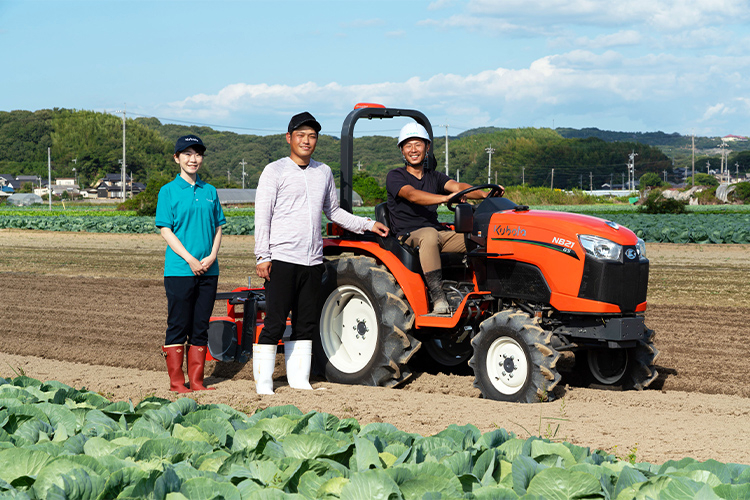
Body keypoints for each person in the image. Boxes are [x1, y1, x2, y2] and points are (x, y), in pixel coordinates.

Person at [253, 111, 389, 395]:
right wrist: (262, 256)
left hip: (312, 260)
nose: (306, 141)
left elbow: (334, 211)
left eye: (312, 136)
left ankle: (299, 380)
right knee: (276, 321)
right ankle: (264, 383)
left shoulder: (323, 171)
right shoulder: (274, 171)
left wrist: (367, 224)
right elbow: (262, 215)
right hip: (282, 258)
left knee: (306, 323)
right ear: (289, 138)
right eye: (301, 135)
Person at [386, 122, 504, 314]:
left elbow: (458, 187)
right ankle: (438, 296)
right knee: (429, 236)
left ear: (427, 147)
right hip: (408, 235)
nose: (413, 150)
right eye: (408, 145)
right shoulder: (395, 176)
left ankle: (488, 290)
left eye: (418, 144)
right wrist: (445, 198)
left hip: (437, 233)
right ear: (402, 150)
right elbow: (412, 195)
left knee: (479, 238)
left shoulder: (435, 177)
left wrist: (485, 194)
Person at [155, 134, 226, 393]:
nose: (193, 159)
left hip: (209, 270)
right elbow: (166, 230)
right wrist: (190, 259)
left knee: (201, 324)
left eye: (197, 154)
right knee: (178, 323)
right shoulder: (168, 191)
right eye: (187, 154)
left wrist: (212, 256)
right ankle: (177, 383)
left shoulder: (210, 191)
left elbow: (219, 227)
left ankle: (197, 381)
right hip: (179, 270)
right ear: (177, 158)